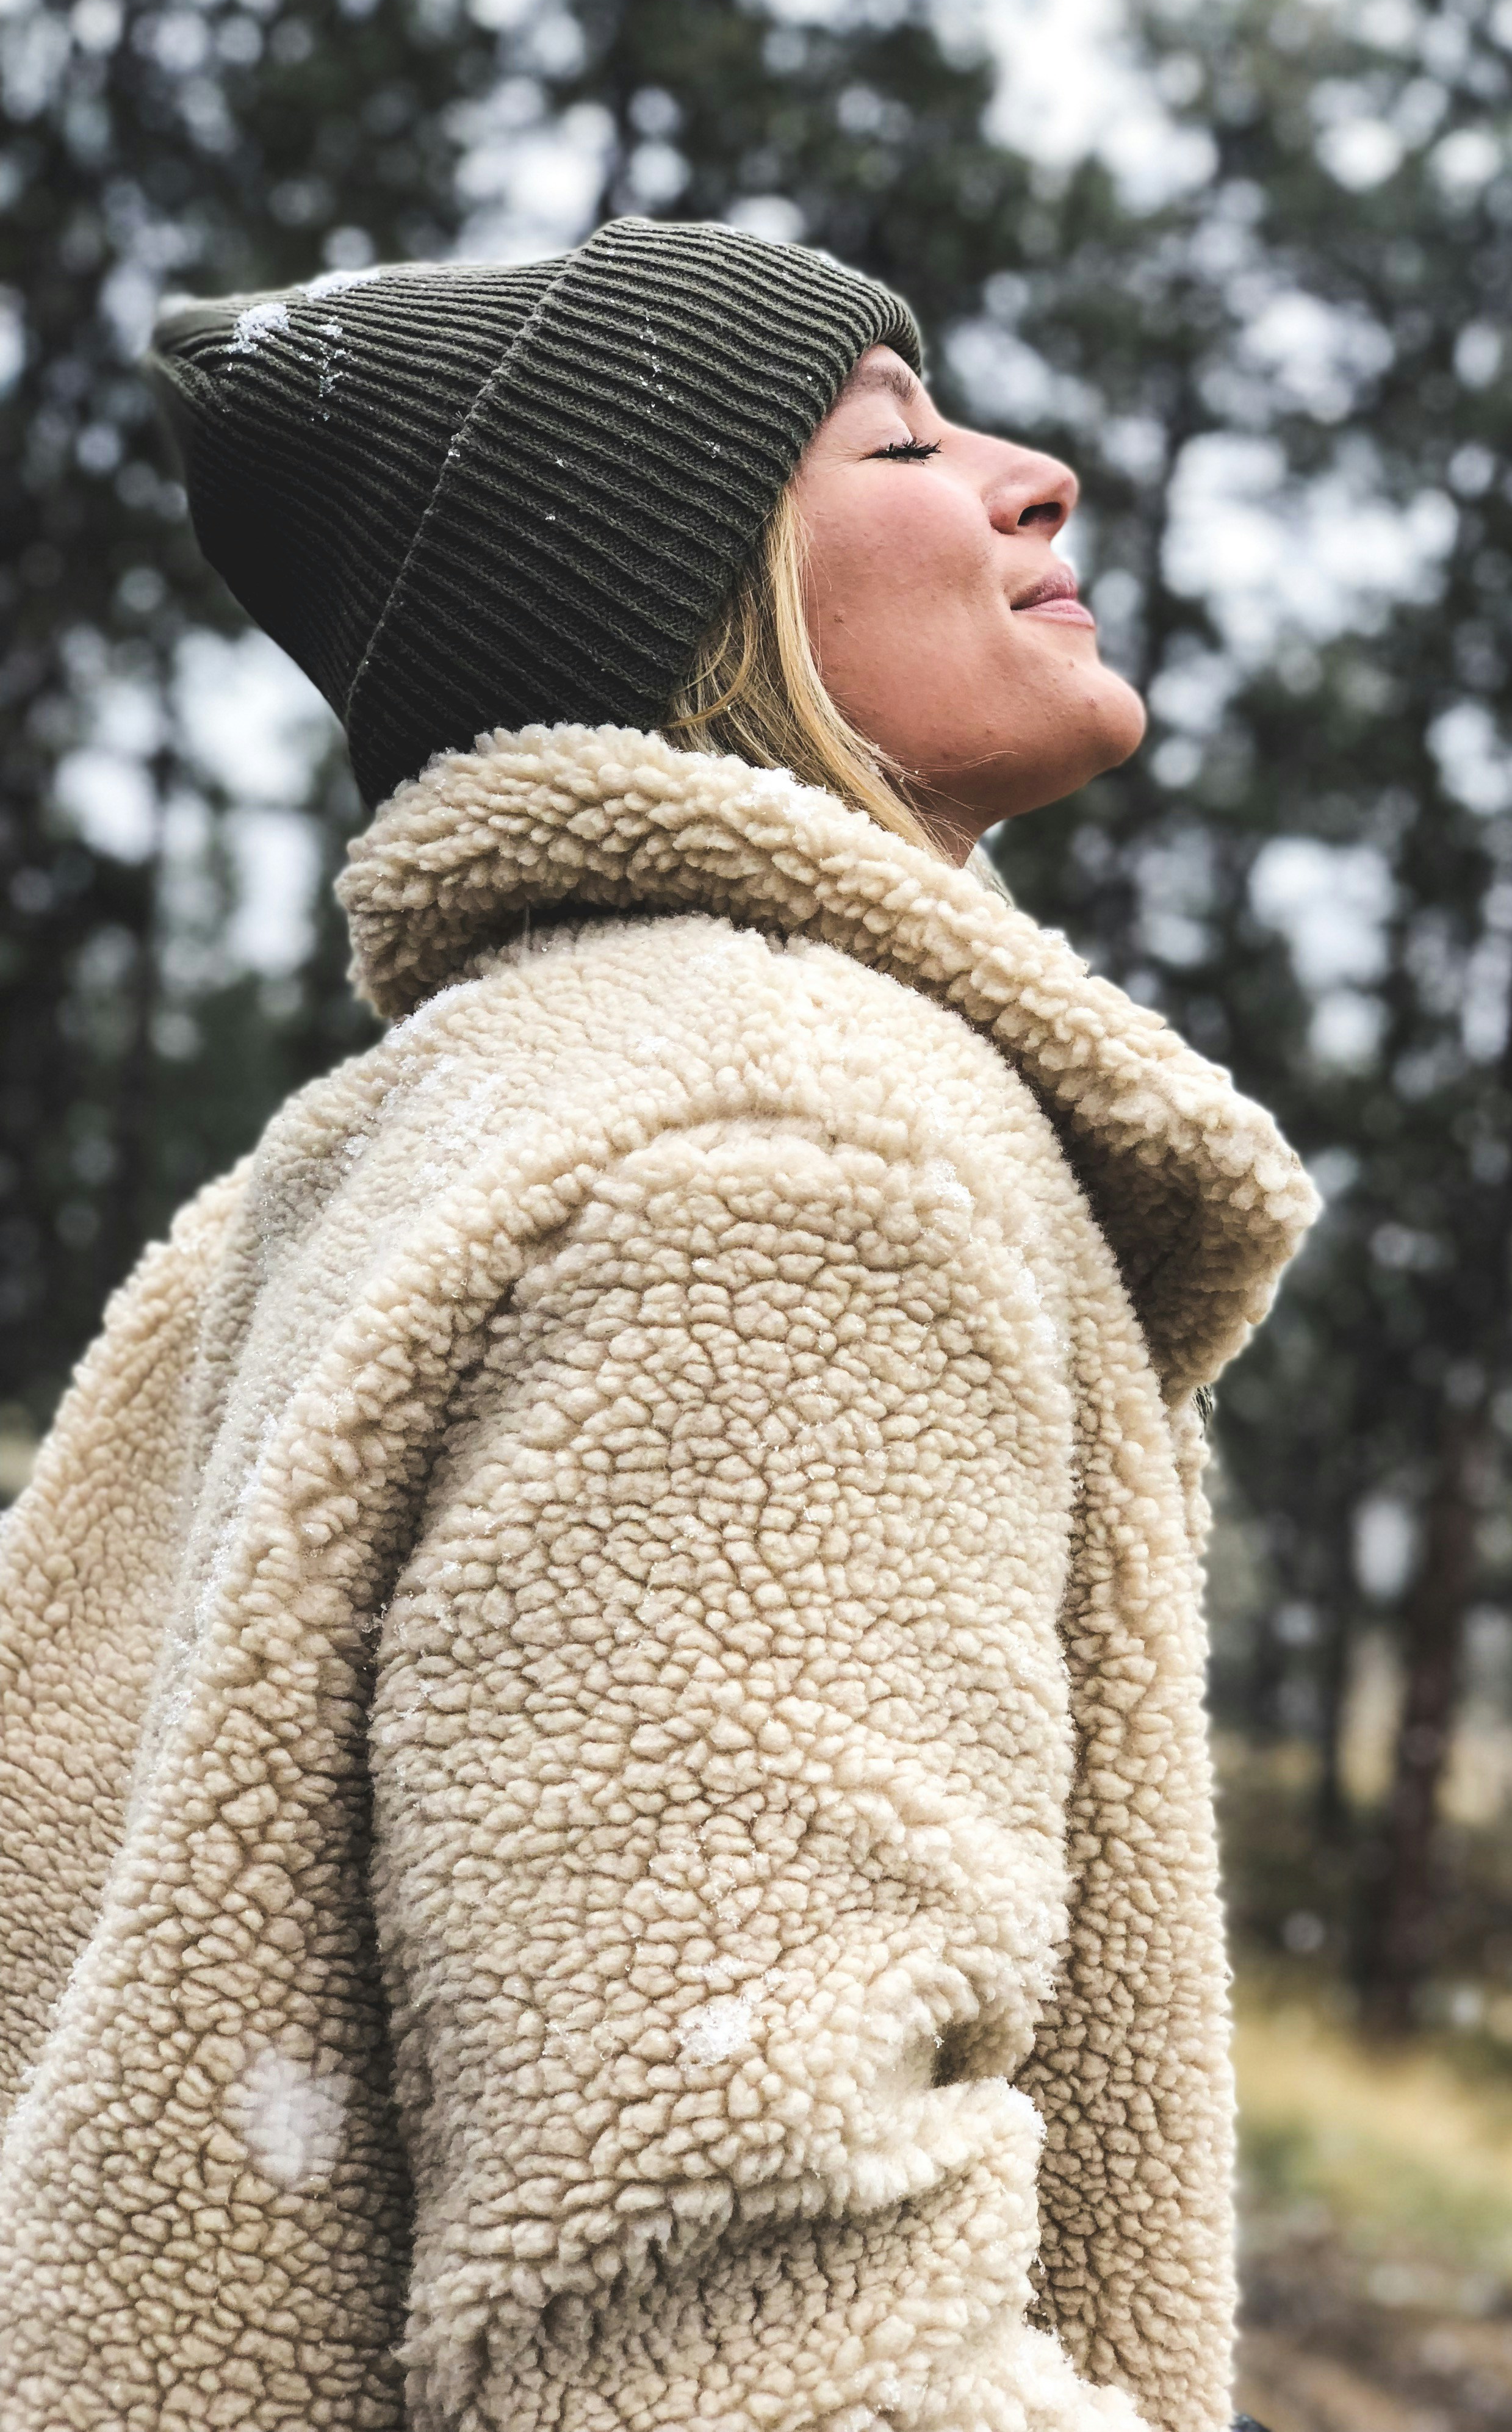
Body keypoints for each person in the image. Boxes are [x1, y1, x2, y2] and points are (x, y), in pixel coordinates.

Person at [0, 217, 1312, 2432]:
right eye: (896, 436)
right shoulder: (789, 1170)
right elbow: (728, 2312)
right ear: (677, 582)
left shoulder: (408, 1135)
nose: (1036, 475)